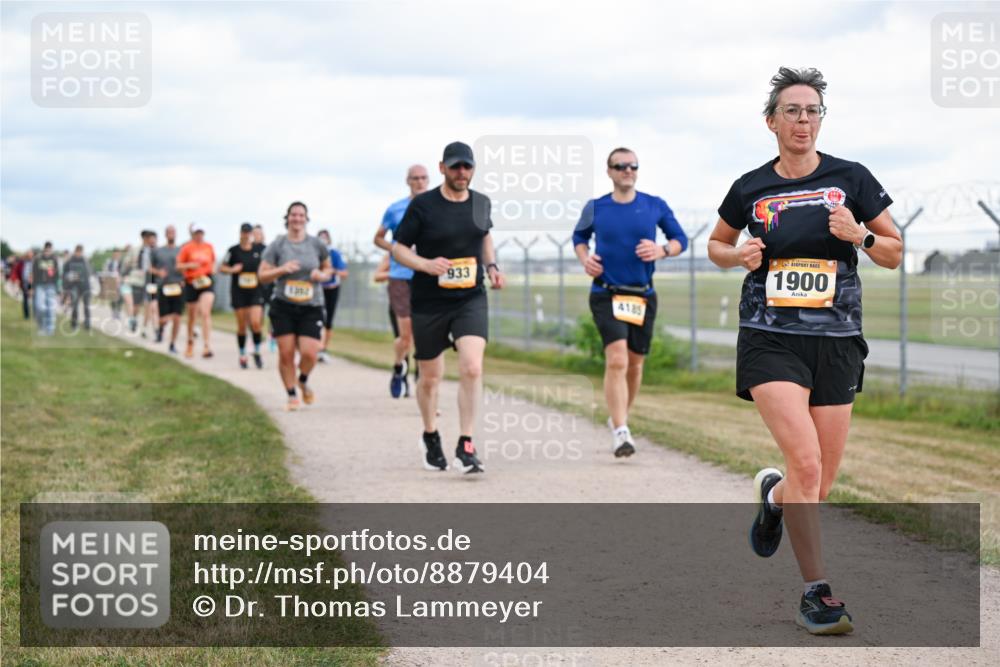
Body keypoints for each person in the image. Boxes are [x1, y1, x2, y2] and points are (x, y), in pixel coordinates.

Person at [707, 67, 901, 636]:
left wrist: (859, 236)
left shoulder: (852, 179)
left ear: (821, 119)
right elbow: (716, 244)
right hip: (770, 338)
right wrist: (736, 254)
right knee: (808, 462)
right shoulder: (750, 187)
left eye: (812, 110)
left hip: (837, 341)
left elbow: (892, 251)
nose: (803, 120)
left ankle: (775, 498)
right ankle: (817, 594)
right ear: (772, 121)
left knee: (818, 483)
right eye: (791, 110)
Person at [392, 142, 505, 474]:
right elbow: (399, 249)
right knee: (430, 378)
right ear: (442, 168)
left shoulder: (481, 203)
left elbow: (484, 236)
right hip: (429, 300)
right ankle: (430, 435)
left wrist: (493, 266)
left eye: (467, 167)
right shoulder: (423, 206)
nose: (461, 173)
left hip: (470, 296)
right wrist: (425, 264)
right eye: (455, 167)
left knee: (472, 368)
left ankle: (466, 445)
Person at [573, 147, 687, 458]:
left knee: (635, 364)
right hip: (606, 292)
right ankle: (621, 431)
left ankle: (619, 416)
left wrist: (662, 250)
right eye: (620, 166)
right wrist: (586, 260)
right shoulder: (595, 207)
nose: (627, 170)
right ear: (608, 171)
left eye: (632, 165)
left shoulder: (654, 205)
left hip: (642, 294)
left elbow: (681, 239)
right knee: (618, 360)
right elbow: (579, 238)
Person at [258, 202, 333, 411]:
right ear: (287, 218)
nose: (297, 218)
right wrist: (281, 269)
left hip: (312, 305)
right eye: (293, 215)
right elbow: (262, 276)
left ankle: (303, 379)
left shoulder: (316, 244)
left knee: (311, 352)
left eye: (301, 215)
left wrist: (322, 275)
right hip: (283, 305)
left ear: (306, 219)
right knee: (286, 353)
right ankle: (292, 395)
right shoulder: (278, 245)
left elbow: (328, 268)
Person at [375, 164, 428, 397]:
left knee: (426, 336)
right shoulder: (395, 209)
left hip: (427, 276)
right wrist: (396, 248)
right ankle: (399, 368)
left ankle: (423, 383)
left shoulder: (437, 207)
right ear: (408, 181)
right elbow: (378, 238)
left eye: (423, 178)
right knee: (406, 337)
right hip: (400, 276)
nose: (419, 182)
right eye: (415, 178)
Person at [219, 223, 267, 369]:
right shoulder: (233, 251)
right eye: (244, 232)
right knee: (241, 326)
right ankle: (242, 354)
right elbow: (221, 267)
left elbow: (270, 262)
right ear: (240, 233)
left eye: (249, 232)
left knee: (256, 323)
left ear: (252, 234)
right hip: (239, 292)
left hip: (255, 292)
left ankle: (257, 352)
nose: (246, 235)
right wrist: (232, 269)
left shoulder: (260, 249)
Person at [176, 224, 217, 358]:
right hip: (191, 282)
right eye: (197, 233)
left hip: (206, 281)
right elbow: (178, 266)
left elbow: (214, 262)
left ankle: (207, 346)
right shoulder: (186, 248)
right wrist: (190, 265)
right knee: (192, 316)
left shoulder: (208, 247)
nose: (199, 235)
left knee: (205, 312)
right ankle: (190, 343)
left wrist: (213, 269)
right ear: (193, 234)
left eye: (201, 233)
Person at [316, 229, 349, 363]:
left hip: (332, 289)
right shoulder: (314, 253)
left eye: (325, 238)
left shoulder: (335, 254)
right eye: (320, 238)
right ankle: (315, 348)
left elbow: (344, 273)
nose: (323, 240)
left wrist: (332, 271)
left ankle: (323, 349)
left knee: (328, 321)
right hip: (317, 290)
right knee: (317, 319)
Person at [152, 225, 185, 354]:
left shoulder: (181, 251)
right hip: (163, 287)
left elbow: (185, 267)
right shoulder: (158, 251)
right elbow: (150, 268)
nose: (171, 234)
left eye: (173, 232)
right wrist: (158, 272)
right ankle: (160, 329)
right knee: (163, 319)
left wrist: (184, 279)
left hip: (178, 286)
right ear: (166, 234)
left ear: (176, 234)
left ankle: (172, 343)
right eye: (169, 232)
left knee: (177, 317)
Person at [123, 230, 157, 336]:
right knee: (136, 305)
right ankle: (133, 319)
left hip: (150, 280)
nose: (148, 240)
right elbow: (126, 263)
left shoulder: (155, 251)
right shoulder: (135, 250)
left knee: (150, 304)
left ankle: (146, 328)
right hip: (136, 280)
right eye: (146, 238)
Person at [254, 223, 278, 353]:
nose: (258, 235)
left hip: (270, 286)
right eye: (255, 233)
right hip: (256, 288)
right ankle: (259, 335)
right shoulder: (249, 249)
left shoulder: (268, 249)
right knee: (258, 316)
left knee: (273, 314)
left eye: (260, 233)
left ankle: (273, 337)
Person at [62, 244, 92, 331]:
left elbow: (89, 273)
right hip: (74, 286)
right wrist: (69, 277)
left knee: (87, 306)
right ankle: (74, 324)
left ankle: (87, 324)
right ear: (75, 251)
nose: (79, 254)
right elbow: (64, 275)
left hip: (85, 286)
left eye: (81, 252)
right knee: (75, 305)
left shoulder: (85, 261)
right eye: (78, 252)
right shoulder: (69, 262)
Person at [32, 242, 59, 336]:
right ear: (44, 249)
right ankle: (41, 327)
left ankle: (50, 329)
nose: (48, 252)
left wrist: (58, 289)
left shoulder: (54, 259)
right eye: (47, 250)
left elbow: (57, 274)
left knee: (50, 308)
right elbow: (34, 274)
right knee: (40, 307)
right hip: (39, 286)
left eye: (50, 250)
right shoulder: (38, 259)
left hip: (51, 286)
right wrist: (32, 287)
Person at [102, 249, 125, 319]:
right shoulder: (109, 261)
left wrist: (121, 278)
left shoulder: (122, 262)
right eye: (115, 254)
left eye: (118, 254)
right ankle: (114, 312)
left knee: (121, 297)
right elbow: (105, 270)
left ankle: (118, 311)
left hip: (120, 281)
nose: (117, 255)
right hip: (111, 280)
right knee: (113, 297)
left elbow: (124, 271)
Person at [16, 250, 33, 320]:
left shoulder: (34, 262)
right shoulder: (22, 262)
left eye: (31, 255)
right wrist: (17, 280)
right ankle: (27, 315)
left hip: (33, 283)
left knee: (34, 299)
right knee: (25, 298)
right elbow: (17, 271)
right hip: (25, 283)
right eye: (28, 255)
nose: (30, 256)